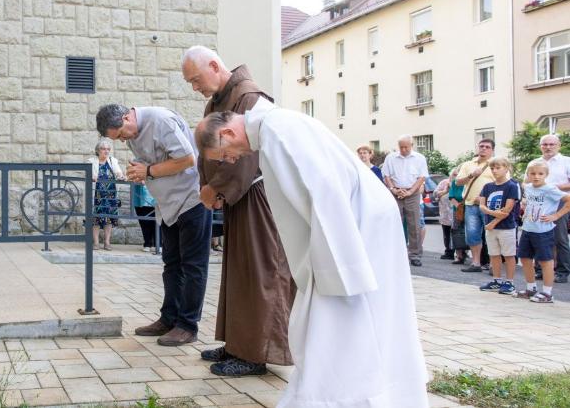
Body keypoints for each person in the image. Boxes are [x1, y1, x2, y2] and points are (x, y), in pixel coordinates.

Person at [194, 99, 428, 408]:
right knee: (344, 315)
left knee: (338, 314)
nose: (232, 159)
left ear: (226, 133)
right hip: (355, 222)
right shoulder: (275, 130)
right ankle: (356, 390)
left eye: (224, 154)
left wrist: (340, 269)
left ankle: (335, 395)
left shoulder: (279, 131)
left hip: (355, 226)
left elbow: (325, 190)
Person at [181, 46, 294, 376]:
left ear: (215, 66)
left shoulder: (249, 97)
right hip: (236, 197)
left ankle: (256, 352)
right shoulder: (217, 100)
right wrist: (209, 186)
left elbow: (245, 156)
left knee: (260, 272)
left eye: (196, 79)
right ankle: (236, 343)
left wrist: (215, 190)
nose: (195, 87)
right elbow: (207, 152)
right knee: (238, 271)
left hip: (256, 195)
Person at [96, 103, 211, 346]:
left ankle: (188, 326)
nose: (122, 140)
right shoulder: (133, 132)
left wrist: (148, 170)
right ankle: (169, 318)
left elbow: (188, 158)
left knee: (193, 267)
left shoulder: (161, 121)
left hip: (191, 200)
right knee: (172, 264)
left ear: (127, 117)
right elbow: (152, 166)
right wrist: (141, 173)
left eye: (121, 135)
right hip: (167, 204)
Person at [516, 159, 570, 303]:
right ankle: (530, 288)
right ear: (528, 174)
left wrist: (556, 215)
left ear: (546, 174)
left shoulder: (550, 189)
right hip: (528, 228)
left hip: (543, 231)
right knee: (525, 259)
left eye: (540, 173)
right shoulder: (528, 187)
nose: (536, 176)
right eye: (533, 173)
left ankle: (547, 293)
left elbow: (568, 200)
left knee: (546, 261)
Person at [382, 135, 429, 266]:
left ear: (411, 145)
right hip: (396, 191)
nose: (403, 150)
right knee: (395, 222)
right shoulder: (391, 157)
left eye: (406, 147)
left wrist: (410, 191)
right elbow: (386, 175)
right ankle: (395, 253)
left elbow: (422, 177)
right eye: (401, 147)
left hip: (412, 192)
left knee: (414, 224)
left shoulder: (419, 158)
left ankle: (415, 254)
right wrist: (393, 189)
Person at [477, 157, 520, 295]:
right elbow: (482, 205)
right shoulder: (487, 186)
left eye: (498, 168)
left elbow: (507, 211)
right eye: (492, 168)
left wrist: (492, 222)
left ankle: (510, 282)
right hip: (491, 228)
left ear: (506, 168)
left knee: (508, 255)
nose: (494, 171)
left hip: (506, 227)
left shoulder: (511, 186)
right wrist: (491, 213)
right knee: (493, 254)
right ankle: (496, 280)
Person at [532, 134, 570, 283]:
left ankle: (562, 271)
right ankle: (541, 269)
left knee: (559, 238)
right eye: (544, 144)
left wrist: (552, 187)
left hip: (560, 201)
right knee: (539, 236)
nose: (548, 147)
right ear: (540, 146)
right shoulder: (535, 162)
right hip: (539, 202)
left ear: (558, 145)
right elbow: (526, 182)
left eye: (551, 144)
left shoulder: (566, 161)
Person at [455, 139, 496, 272]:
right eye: (481, 146)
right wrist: (472, 175)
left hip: (490, 205)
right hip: (471, 204)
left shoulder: (496, 164)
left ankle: (492, 265)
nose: (483, 149)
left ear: (492, 150)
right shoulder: (467, 164)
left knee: (491, 235)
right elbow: (458, 182)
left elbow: (503, 183)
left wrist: (485, 198)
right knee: (472, 235)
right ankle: (476, 263)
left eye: (487, 147)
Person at [88, 138, 124, 251]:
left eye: (108, 149)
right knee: (96, 218)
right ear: (98, 150)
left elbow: (118, 172)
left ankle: (107, 242)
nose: (106, 151)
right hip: (97, 195)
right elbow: (87, 174)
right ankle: (96, 242)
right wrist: (91, 176)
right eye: (103, 149)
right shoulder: (91, 161)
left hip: (111, 195)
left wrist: (120, 176)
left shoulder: (113, 161)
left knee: (109, 218)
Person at [449, 165, 471, 264]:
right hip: (457, 209)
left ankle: (467, 253)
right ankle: (459, 255)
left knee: (469, 231)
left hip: (470, 208)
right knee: (456, 231)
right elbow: (451, 196)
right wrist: (459, 207)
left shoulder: (470, 182)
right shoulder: (455, 183)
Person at [435, 170, 455, 260]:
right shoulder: (444, 182)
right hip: (445, 214)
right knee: (446, 234)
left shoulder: (460, 183)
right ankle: (448, 251)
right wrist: (445, 191)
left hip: (456, 214)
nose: (455, 176)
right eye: (453, 175)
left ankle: (461, 254)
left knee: (457, 234)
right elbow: (435, 194)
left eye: (457, 175)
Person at [132, 183, 157, 253]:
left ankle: (158, 244)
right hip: (139, 189)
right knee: (143, 220)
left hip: (154, 188)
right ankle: (147, 243)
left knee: (156, 219)